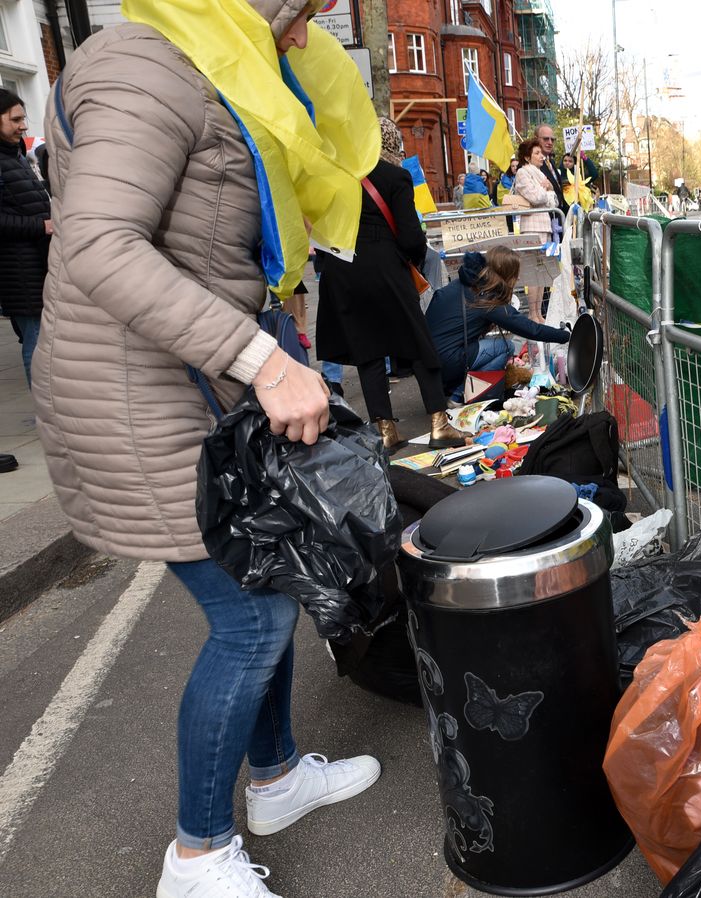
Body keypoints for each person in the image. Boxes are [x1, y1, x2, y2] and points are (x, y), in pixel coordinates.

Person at [36, 4, 383, 896]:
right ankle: (197, 856)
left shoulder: (203, 68)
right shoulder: (142, 60)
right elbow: (99, 245)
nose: (304, 36)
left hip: (193, 388)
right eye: (300, 12)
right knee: (252, 620)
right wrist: (263, 361)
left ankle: (273, 780)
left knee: (269, 582)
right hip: (140, 394)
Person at [317, 117, 467, 452]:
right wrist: (406, 259)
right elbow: (412, 237)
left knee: (368, 352)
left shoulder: (338, 178)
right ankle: (439, 425)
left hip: (344, 271)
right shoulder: (395, 176)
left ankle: (385, 432)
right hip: (386, 269)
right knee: (417, 344)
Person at [425, 247, 570, 401]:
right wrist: (566, 336)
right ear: (505, 274)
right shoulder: (486, 299)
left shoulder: (466, 282)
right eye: (515, 274)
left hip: (428, 362)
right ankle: (462, 394)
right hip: (447, 361)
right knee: (507, 347)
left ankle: (455, 387)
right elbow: (531, 329)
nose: (518, 279)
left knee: (488, 346)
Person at [0, 88, 52, 389]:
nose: (23, 126)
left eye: (24, 118)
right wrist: (41, 226)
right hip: (19, 271)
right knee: (37, 342)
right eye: (15, 119)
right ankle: (46, 414)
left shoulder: (15, 155)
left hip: (36, 264)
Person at [512, 136, 558, 323]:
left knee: (540, 271)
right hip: (531, 225)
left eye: (541, 152)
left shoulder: (541, 175)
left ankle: (538, 312)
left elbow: (554, 199)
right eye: (536, 153)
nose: (541, 156)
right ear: (527, 157)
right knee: (532, 271)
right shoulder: (523, 173)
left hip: (543, 224)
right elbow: (535, 196)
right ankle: (532, 313)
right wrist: (546, 191)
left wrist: (546, 191)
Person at [534, 123, 568, 214]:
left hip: (558, 217)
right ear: (536, 139)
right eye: (546, 139)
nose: (550, 142)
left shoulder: (551, 162)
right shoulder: (531, 165)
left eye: (552, 140)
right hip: (543, 218)